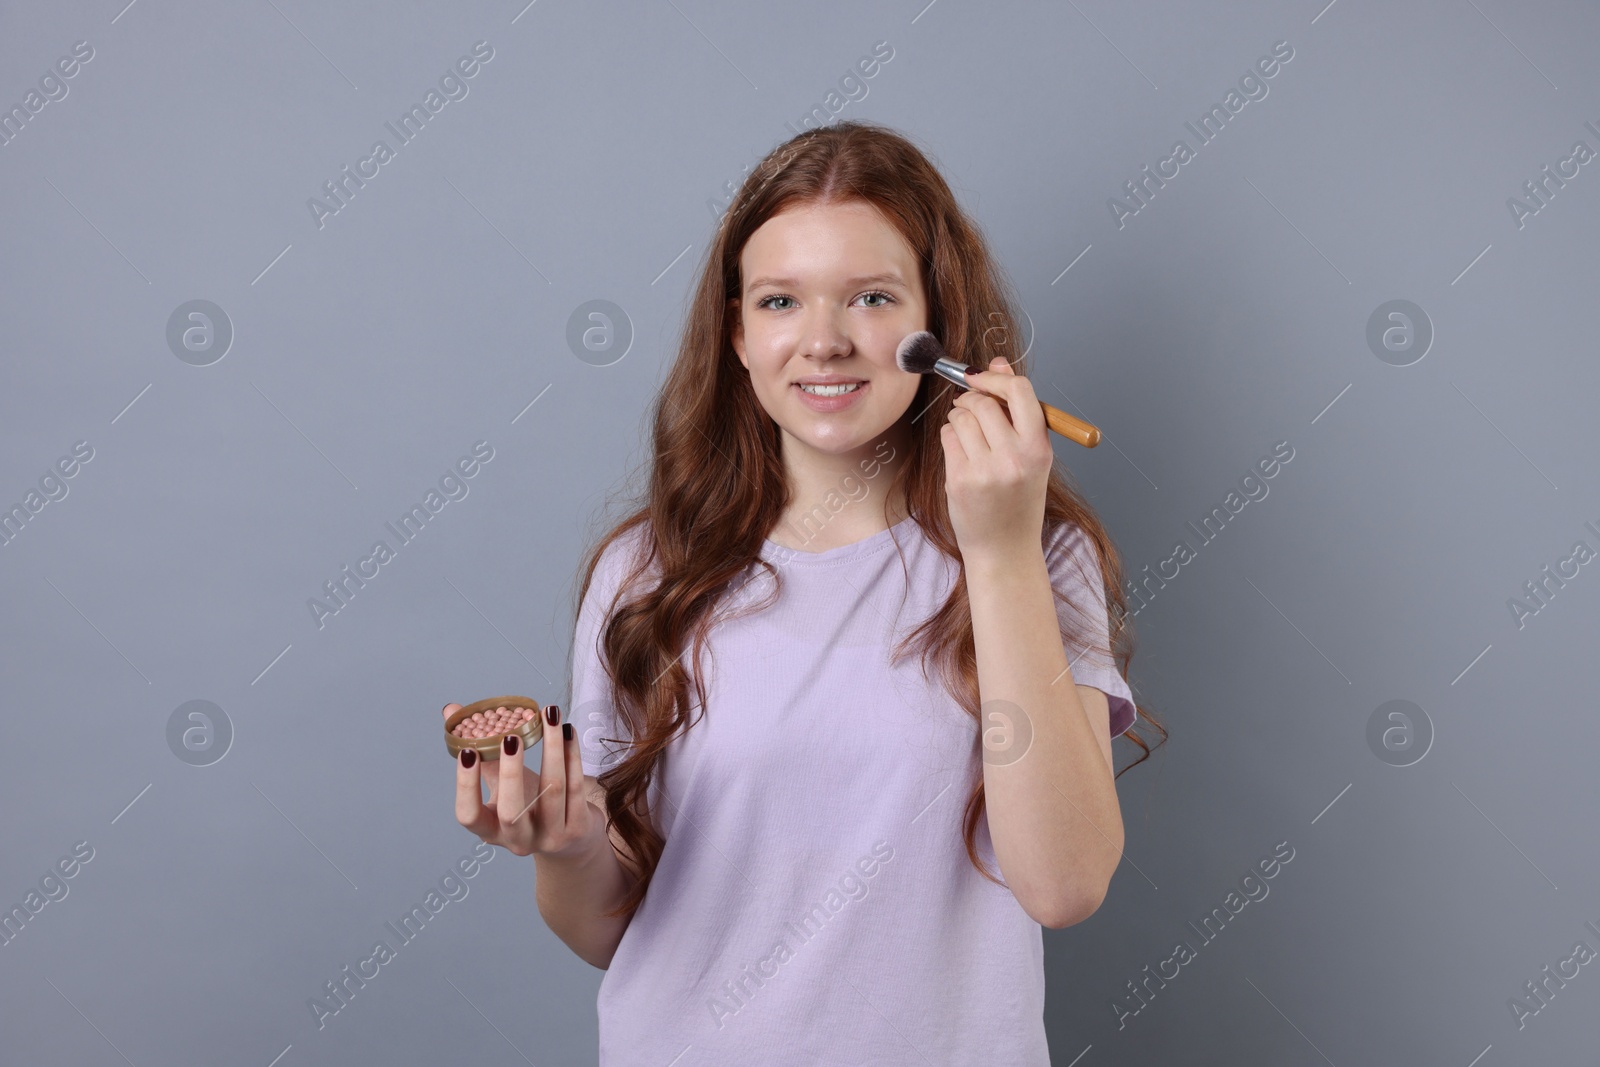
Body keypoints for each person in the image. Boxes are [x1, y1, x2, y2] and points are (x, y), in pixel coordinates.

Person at [445, 119, 1165, 1065]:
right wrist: (566, 847)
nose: (823, 342)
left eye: (871, 296)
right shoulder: (645, 574)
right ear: (738, 334)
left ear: (934, 325)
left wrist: (995, 554)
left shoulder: (1036, 554)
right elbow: (607, 930)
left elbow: (1064, 884)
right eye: (782, 300)